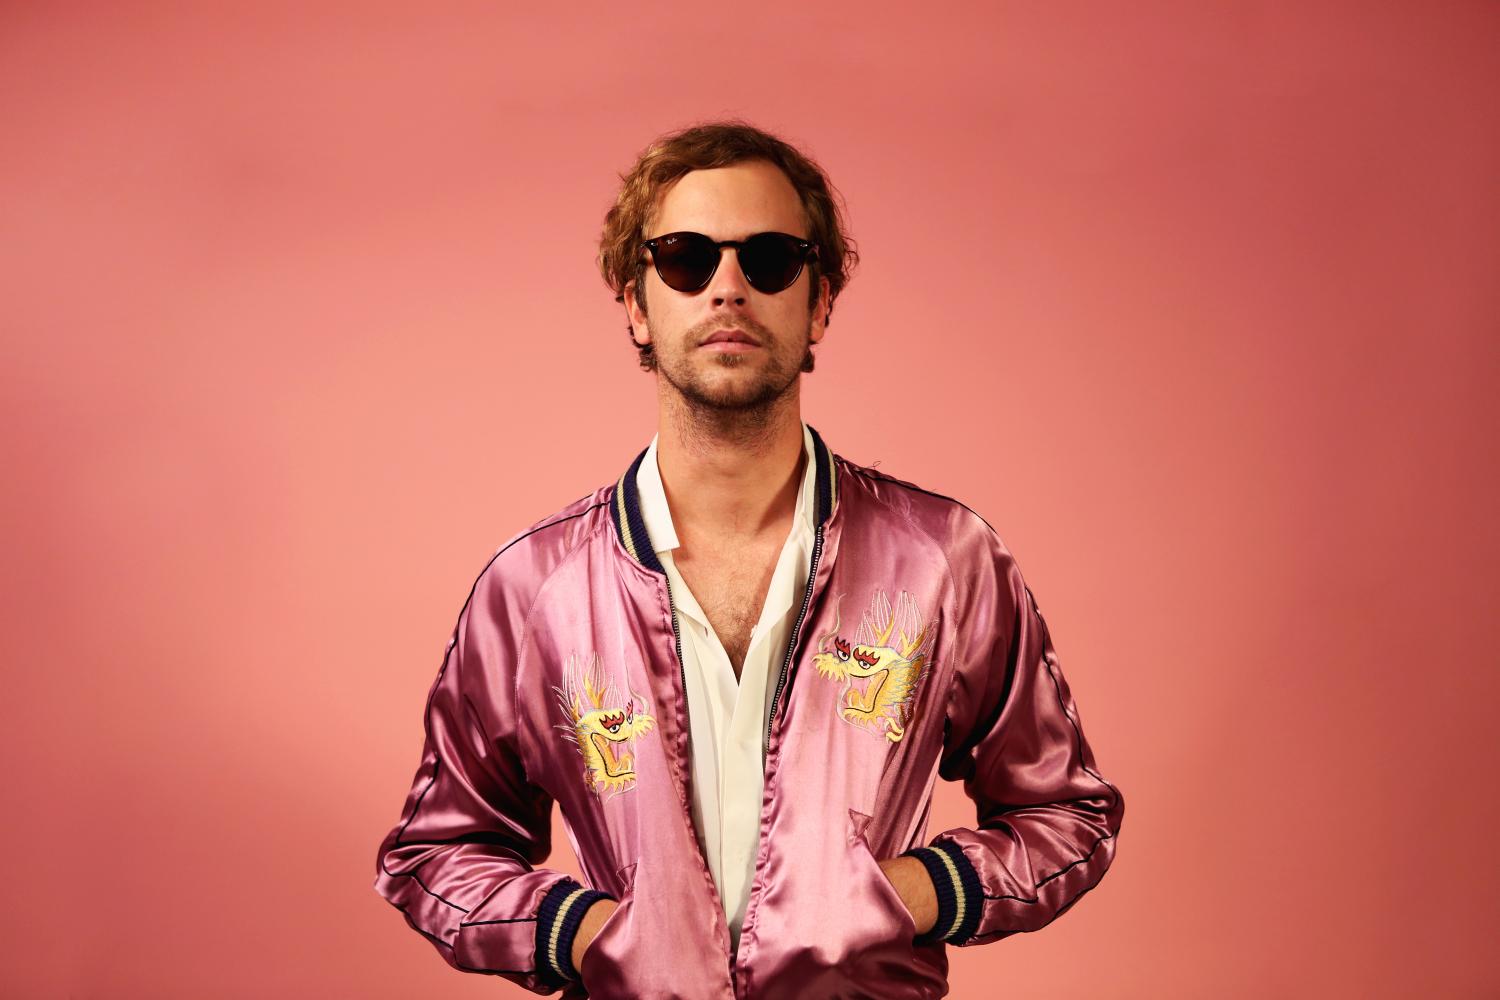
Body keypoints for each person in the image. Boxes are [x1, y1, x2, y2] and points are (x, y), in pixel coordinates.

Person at [373, 120, 1124, 1000]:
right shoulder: (537, 588)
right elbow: (437, 852)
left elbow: (1066, 812)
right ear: (636, 303)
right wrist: (580, 933)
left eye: (769, 259)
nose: (728, 289)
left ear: (820, 301)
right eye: (686, 259)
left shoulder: (940, 561)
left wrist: (915, 892)